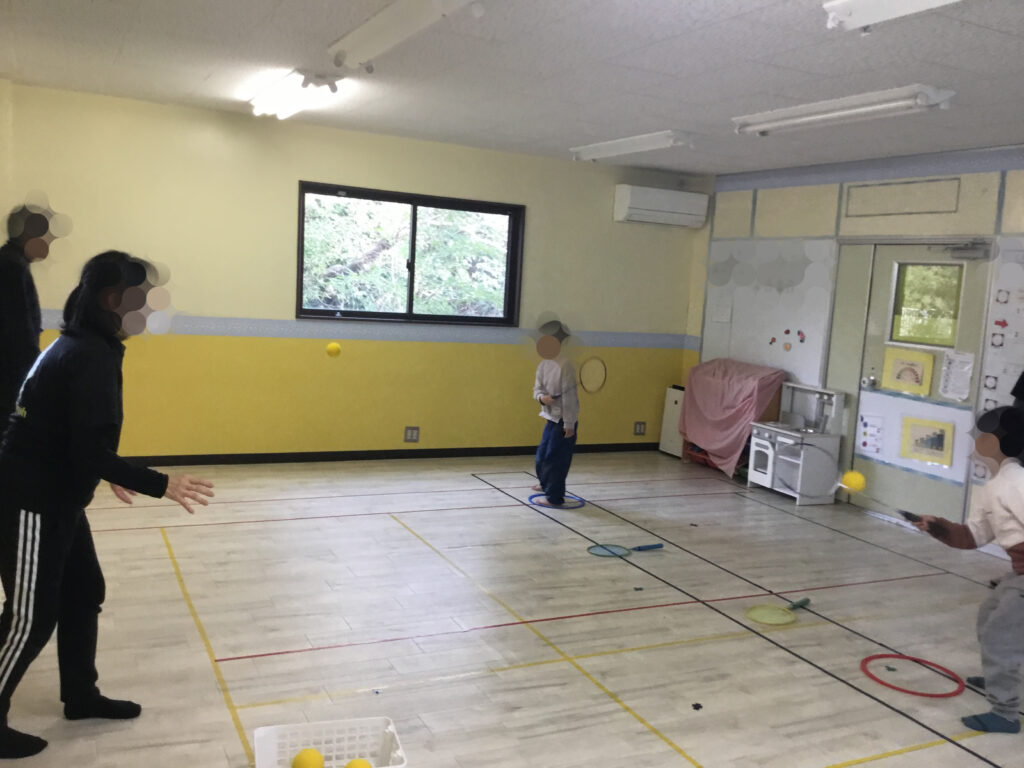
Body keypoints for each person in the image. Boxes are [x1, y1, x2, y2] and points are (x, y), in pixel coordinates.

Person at [0, 251, 215, 759]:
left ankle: (80, 695)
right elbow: (85, 448)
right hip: (31, 501)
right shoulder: (87, 354)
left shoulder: (83, 345)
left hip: (59, 495)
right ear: (113, 299)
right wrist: (158, 483)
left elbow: (78, 435)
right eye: (144, 298)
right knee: (30, 618)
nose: (151, 308)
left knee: (83, 591)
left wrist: (104, 469)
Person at [912, 404, 1024, 734]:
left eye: (980, 435)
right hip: (1020, 572)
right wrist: (938, 526)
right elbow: (974, 536)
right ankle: (999, 673)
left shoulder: (1017, 482)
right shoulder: (993, 486)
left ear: (993, 442)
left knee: (1000, 637)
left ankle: (1005, 714)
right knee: (989, 617)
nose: (973, 440)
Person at [0, 207, 45, 427]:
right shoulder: (13, 269)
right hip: (10, 378)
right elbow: (20, 332)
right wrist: (35, 378)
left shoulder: (9, 263)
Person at [531, 321, 579, 508]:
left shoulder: (565, 366)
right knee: (542, 455)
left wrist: (569, 424)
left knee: (556, 459)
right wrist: (542, 398)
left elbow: (570, 399)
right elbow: (537, 389)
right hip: (550, 418)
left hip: (563, 421)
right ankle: (545, 484)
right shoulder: (543, 365)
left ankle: (554, 497)